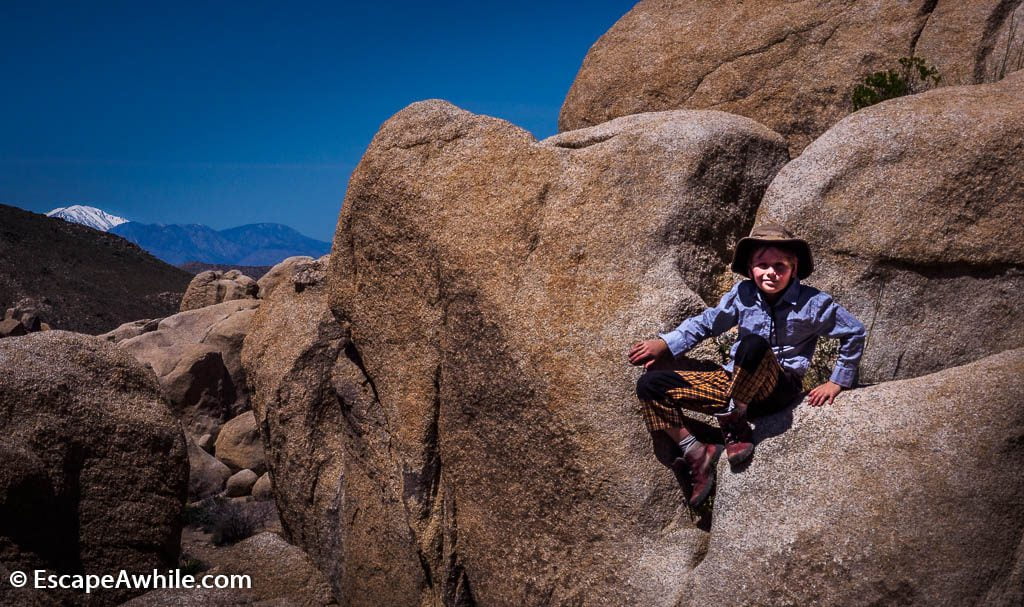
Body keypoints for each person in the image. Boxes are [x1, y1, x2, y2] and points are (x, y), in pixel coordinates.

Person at [627, 224, 866, 507]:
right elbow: (707, 323)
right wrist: (666, 344)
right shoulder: (743, 294)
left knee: (753, 344)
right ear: (751, 267)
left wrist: (837, 381)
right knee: (650, 385)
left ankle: (736, 424)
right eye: (762, 265)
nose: (770, 272)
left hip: (776, 388)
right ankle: (696, 452)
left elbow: (854, 331)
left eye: (780, 265)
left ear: (794, 267)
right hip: (734, 384)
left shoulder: (812, 303)